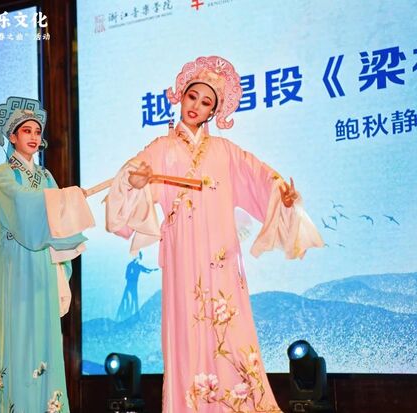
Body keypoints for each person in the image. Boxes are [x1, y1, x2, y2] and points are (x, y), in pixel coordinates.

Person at [105, 56, 323, 413]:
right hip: (182, 258)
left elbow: (262, 178)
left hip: (222, 255)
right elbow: (130, 178)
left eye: (206, 102)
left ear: (213, 112)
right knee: (187, 333)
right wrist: (137, 181)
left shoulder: (226, 152)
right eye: (192, 97)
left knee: (231, 330)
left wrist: (281, 197)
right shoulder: (160, 148)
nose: (196, 106)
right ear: (181, 96)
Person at [0, 96, 94, 413]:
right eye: (26, 131)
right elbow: (22, 205)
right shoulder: (3, 174)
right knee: (20, 342)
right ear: (12, 137)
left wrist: (70, 200)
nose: (34, 137)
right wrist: (64, 199)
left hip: (45, 268)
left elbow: (60, 221)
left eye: (37, 131)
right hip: (17, 268)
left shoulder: (47, 176)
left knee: (47, 341)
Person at [116, 251, 159, 321]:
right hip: (129, 285)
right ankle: (126, 316)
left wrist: (154, 270)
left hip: (134, 285)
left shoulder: (138, 266)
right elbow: (126, 276)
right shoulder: (130, 265)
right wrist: (132, 277)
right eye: (139, 257)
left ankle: (135, 316)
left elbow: (147, 270)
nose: (139, 258)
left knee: (135, 299)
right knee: (128, 299)